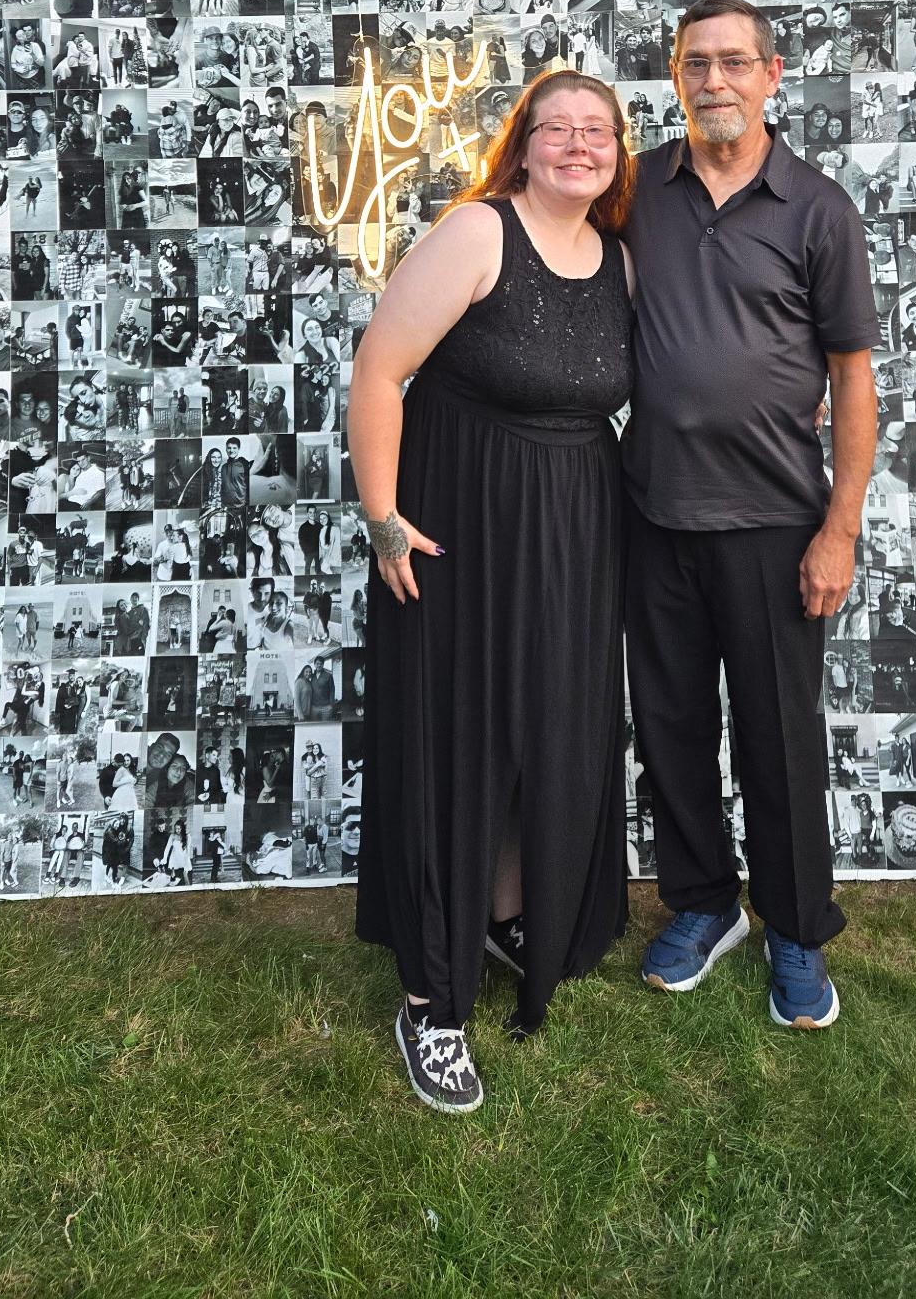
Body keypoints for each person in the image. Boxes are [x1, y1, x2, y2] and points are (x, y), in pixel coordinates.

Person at [349, 69, 636, 1114]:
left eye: (594, 130)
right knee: (458, 737)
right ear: (522, 144)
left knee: (547, 727)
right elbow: (380, 369)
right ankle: (431, 995)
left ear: (616, 152)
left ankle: (510, 909)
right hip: (457, 523)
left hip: (572, 527)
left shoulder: (620, 261)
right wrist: (382, 514)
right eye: (555, 127)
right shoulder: (478, 234)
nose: (575, 144)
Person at [623, 0, 878, 1031]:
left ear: (775, 74)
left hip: (777, 522)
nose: (714, 79)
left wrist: (840, 527)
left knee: (778, 739)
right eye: (696, 63)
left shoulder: (817, 207)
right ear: (675, 75)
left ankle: (795, 927)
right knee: (672, 729)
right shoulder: (636, 187)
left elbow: (853, 380)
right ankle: (700, 902)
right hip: (655, 511)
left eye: (735, 61)